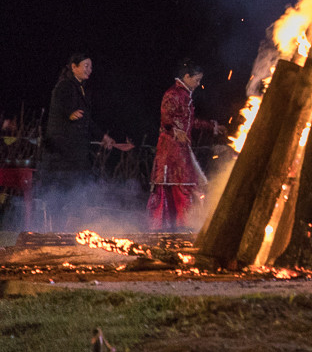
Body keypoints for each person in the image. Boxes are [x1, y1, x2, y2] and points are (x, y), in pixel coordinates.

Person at [38, 53, 133, 191]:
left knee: (76, 189)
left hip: (77, 153)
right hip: (61, 153)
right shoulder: (64, 86)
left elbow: (87, 120)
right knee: (59, 190)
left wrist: (103, 137)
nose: (89, 70)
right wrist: (69, 113)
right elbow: (61, 104)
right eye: (86, 66)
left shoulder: (83, 89)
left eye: (91, 67)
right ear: (74, 67)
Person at [147, 60, 222, 230]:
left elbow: (189, 121)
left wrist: (212, 126)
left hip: (181, 147)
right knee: (181, 184)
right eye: (196, 79)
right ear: (186, 76)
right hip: (171, 148)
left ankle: (181, 223)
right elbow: (166, 118)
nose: (198, 84)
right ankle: (178, 224)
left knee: (183, 183)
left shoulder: (185, 95)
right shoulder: (173, 94)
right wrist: (175, 130)